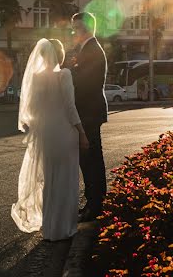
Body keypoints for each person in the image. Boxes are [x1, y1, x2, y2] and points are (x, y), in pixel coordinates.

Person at [11, 38, 89, 240]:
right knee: (65, 181)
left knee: (49, 180)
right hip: (64, 132)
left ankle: (50, 228)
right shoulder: (64, 75)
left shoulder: (36, 77)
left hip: (45, 134)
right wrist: (81, 132)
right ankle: (63, 228)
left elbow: (31, 110)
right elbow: (70, 108)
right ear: (59, 55)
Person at [70, 12, 108, 222]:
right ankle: (94, 201)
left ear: (83, 28)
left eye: (75, 27)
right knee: (90, 159)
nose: (73, 31)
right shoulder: (86, 49)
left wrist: (68, 76)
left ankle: (95, 205)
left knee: (90, 159)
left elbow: (86, 84)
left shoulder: (92, 50)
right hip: (89, 111)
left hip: (89, 112)